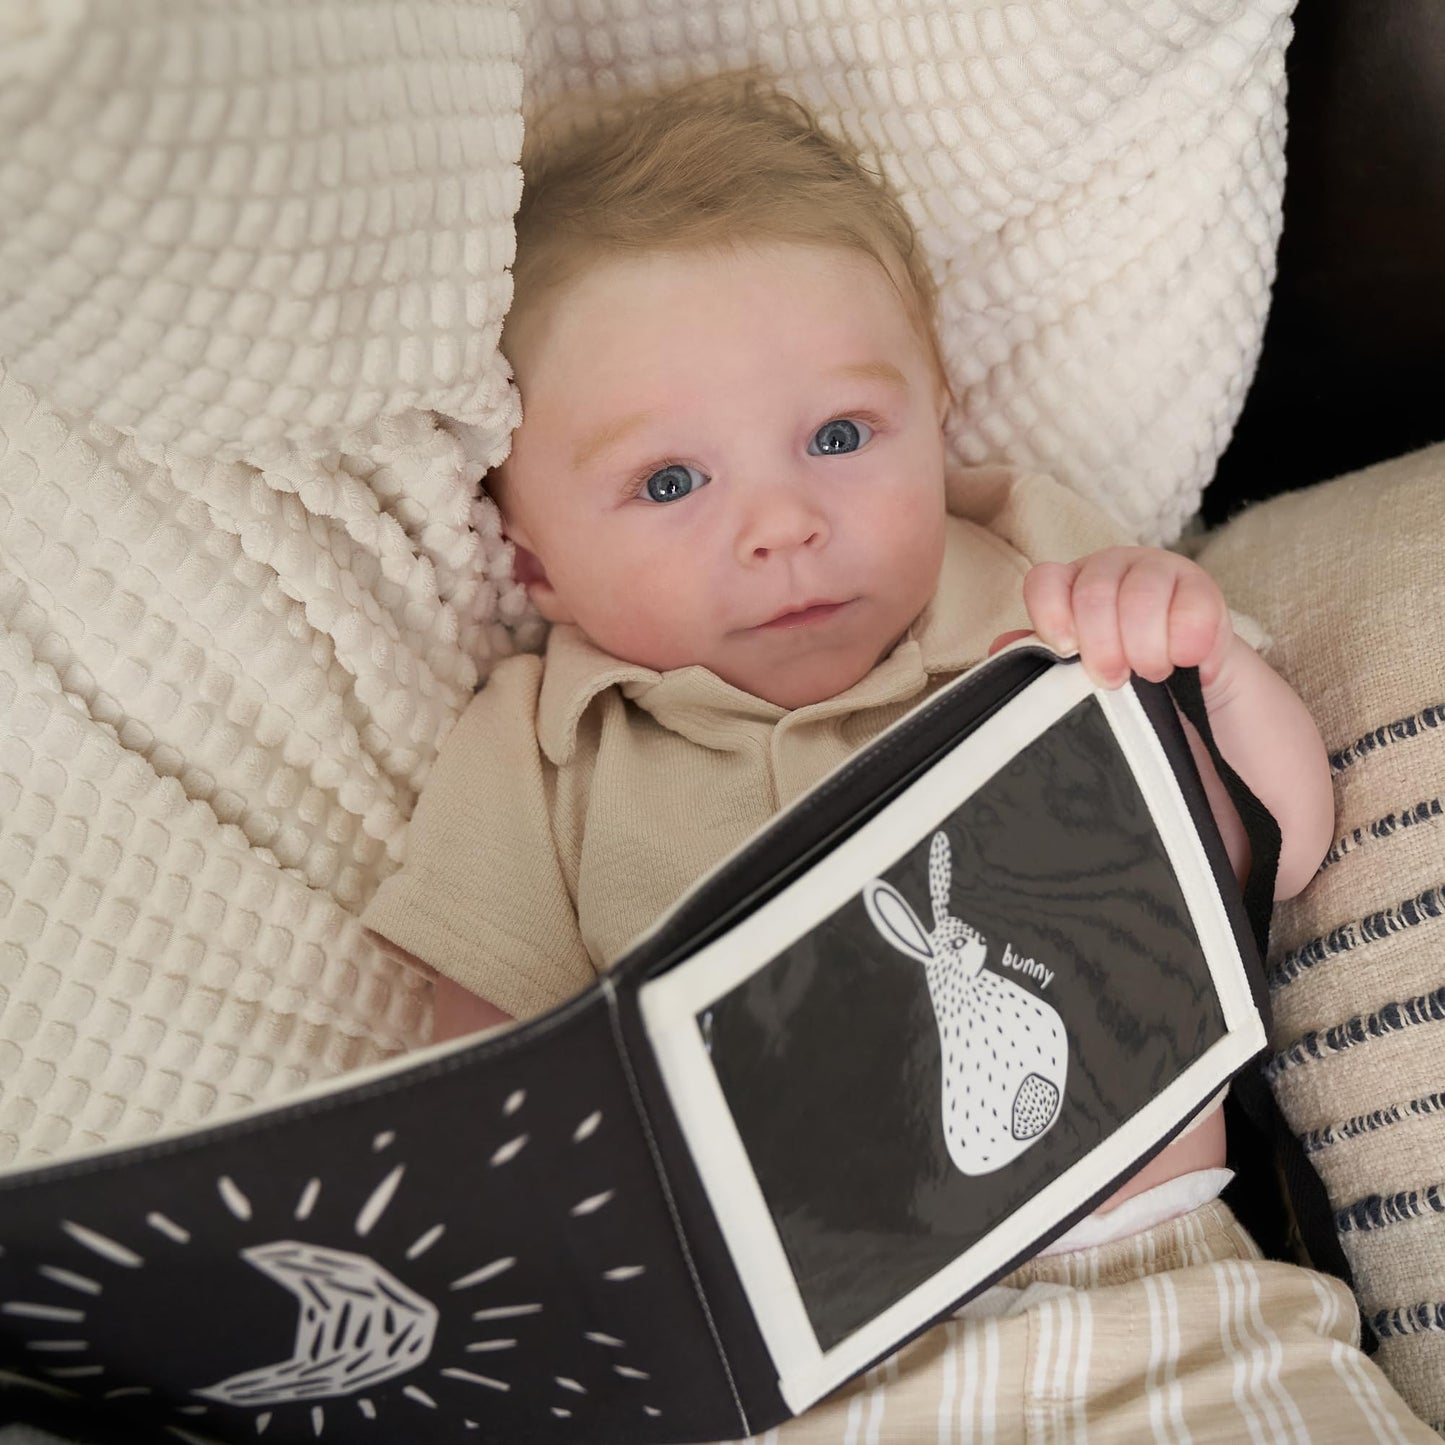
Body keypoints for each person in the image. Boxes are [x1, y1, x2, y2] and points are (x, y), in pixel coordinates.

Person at [363, 72, 1434, 1439]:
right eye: (671, 482)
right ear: (534, 562)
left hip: (1159, 1297)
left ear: (936, 419)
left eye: (839, 436)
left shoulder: (1044, 580)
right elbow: (492, 1094)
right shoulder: (537, 752)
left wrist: (1206, 664)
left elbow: (1275, 846)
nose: (783, 523)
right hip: (800, 1380)